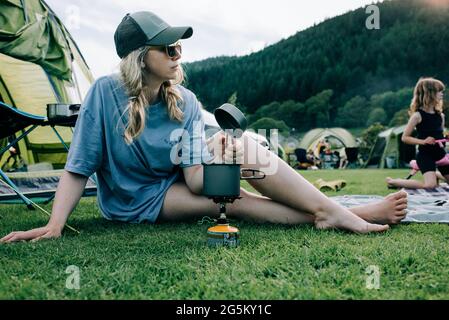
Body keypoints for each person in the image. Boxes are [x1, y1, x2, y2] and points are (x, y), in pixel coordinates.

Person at [1, 11, 408, 243]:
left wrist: (223, 158)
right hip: (135, 201)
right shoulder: (105, 94)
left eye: (180, 48)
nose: (179, 55)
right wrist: (55, 225)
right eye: (170, 48)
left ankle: (332, 212)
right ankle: (338, 213)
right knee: (236, 202)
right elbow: (79, 166)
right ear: (142, 57)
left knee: (243, 148)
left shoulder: (187, 101)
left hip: (179, 182)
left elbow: (195, 180)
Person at [387, 77, 449, 189]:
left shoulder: (441, 116)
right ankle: (394, 182)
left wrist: (446, 137)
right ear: (429, 94)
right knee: (430, 185)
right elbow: (405, 138)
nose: (442, 94)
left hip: (440, 154)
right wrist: (423, 141)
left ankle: (435, 174)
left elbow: (439, 134)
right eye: (439, 91)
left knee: (435, 183)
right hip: (426, 155)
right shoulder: (417, 116)